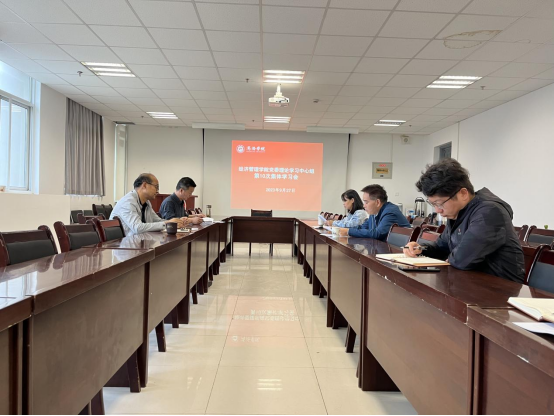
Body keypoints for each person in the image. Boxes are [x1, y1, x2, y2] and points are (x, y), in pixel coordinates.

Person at [404, 159, 525, 284]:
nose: (437, 210)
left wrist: (450, 258)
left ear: (463, 194)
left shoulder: (489, 212)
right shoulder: (457, 213)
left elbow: (462, 260)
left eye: (439, 203)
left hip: (499, 289)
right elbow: (441, 248)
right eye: (433, 204)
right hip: (469, 283)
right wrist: (420, 249)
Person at [110, 173, 185, 236]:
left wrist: (174, 222)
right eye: (156, 187)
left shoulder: (147, 202)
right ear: (144, 185)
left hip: (139, 242)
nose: (158, 191)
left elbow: (157, 220)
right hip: (123, 246)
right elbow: (138, 228)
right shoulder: (128, 202)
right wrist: (167, 223)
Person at [339, 184, 410, 240]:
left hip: (400, 251)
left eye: (366, 202)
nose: (364, 206)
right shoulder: (374, 213)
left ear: (377, 202)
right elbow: (363, 227)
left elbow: (378, 233)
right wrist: (345, 230)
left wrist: (348, 231)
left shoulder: (390, 212)